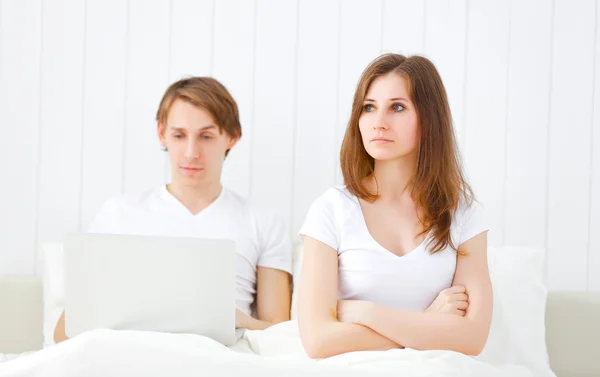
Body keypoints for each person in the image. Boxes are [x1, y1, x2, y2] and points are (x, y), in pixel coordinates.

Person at [54, 77, 292, 343]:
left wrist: (236, 320)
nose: (191, 153)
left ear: (232, 137)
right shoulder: (119, 213)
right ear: (161, 133)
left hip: (222, 357)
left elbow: (281, 336)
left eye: (206, 136)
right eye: (179, 136)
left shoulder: (264, 221)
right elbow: (66, 332)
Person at [297, 53, 492, 359]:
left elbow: (471, 338)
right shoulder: (330, 209)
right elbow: (318, 341)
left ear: (429, 119)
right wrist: (428, 323)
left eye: (397, 107)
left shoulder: (464, 215)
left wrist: (367, 312)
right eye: (369, 108)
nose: (379, 123)